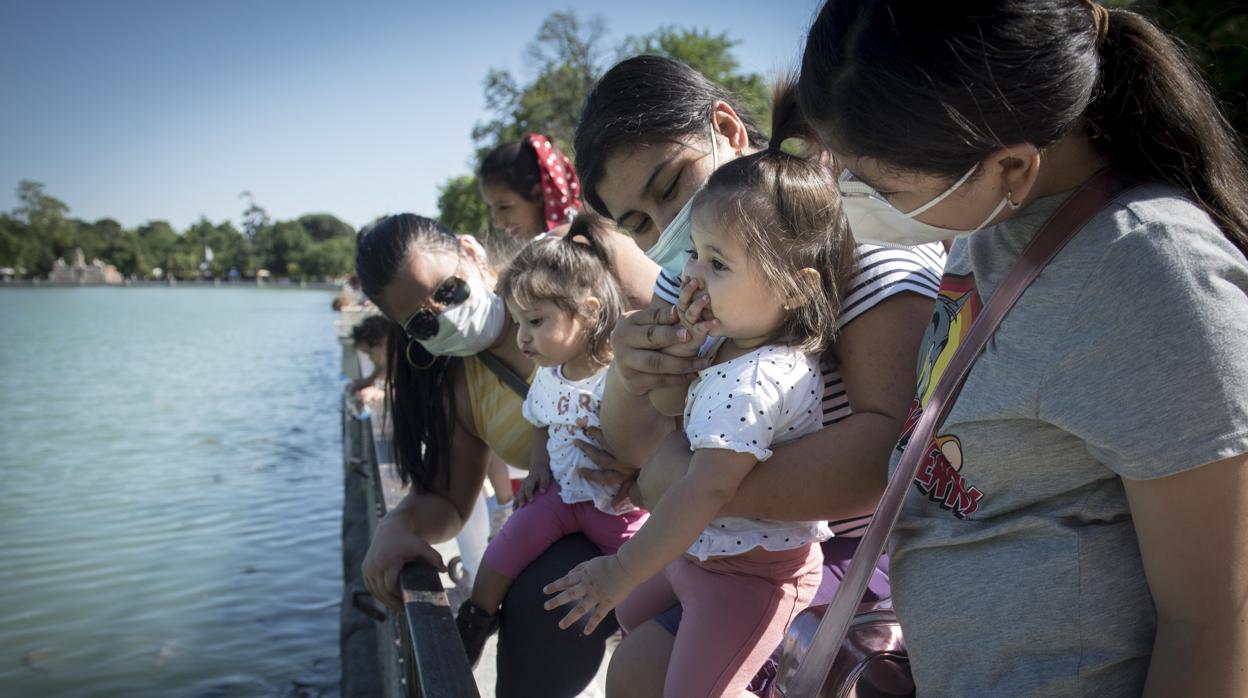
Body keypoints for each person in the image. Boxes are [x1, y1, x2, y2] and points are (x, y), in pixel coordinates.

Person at [796, 1, 1248, 695]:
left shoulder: (1153, 276)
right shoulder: (992, 226)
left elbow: (1217, 620)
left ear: (1011, 165)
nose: (849, 197)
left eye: (880, 185)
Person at [567, 55, 944, 697]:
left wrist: (692, 479)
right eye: (638, 226)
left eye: (669, 187)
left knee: (644, 671)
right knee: (630, 664)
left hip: (848, 551)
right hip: (716, 542)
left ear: (728, 130)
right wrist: (631, 377)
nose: (666, 232)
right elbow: (631, 449)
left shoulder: (867, 249)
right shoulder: (686, 276)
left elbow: (890, 451)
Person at [356, 212, 660, 697]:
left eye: (448, 290)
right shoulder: (460, 384)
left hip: (685, 510)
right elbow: (450, 503)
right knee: (543, 599)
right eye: (423, 320)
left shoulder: (570, 264)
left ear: (471, 252)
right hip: (582, 511)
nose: (446, 313)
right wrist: (398, 526)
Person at [456, 231, 648, 667]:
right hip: (560, 495)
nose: (522, 337)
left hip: (620, 507)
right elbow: (540, 421)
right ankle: (477, 617)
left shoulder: (621, 371)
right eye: (518, 322)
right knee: (508, 541)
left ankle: (639, 644)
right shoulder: (549, 373)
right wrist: (539, 465)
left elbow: (656, 435)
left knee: (643, 582)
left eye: (536, 321)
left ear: (589, 310)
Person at [479, 135, 581, 243]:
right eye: (491, 208)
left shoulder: (573, 241)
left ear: (538, 194)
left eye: (504, 207)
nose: (497, 223)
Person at [347, 315, 392, 402]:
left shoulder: (404, 362)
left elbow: (411, 391)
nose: (371, 359)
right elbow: (379, 370)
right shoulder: (385, 360)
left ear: (384, 342)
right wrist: (367, 381)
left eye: (369, 353)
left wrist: (382, 394)